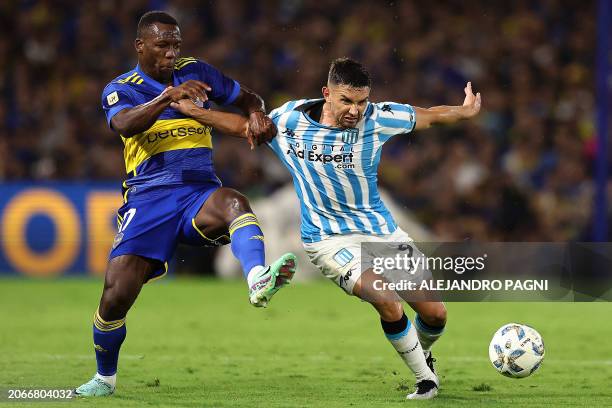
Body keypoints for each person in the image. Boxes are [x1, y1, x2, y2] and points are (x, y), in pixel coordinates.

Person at [180, 57, 482, 400]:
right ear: (327, 93)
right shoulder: (289, 120)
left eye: (361, 101)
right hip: (327, 240)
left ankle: (421, 352)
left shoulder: (378, 118)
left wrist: (463, 111)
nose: (355, 110)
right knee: (387, 300)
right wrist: (194, 112)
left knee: (435, 314)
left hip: (381, 232)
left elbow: (429, 115)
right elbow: (241, 127)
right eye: (346, 101)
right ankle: (425, 379)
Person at [75, 11, 296, 397]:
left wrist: (257, 113)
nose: (172, 53)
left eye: (176, 44)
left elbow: (249, 98)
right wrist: (167, 96)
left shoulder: (199, 72)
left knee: (234, 202)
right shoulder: (121, 88)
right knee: (116, 296)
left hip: (198, 192)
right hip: (148, 200)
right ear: (140, 46)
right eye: (163, 45)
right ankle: (104, 379)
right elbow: (125, 125)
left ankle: (257, 278)